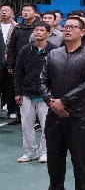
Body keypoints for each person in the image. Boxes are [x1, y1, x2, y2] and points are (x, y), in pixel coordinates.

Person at [33, 16, 85, 190]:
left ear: (83, 32)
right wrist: (51, 102)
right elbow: (42, 81)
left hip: (78, 116)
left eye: (73, 27)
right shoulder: (54, 54)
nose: (68, 30)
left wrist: (64, 101)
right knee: (54, 158)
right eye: (66, 26)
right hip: (54, 115)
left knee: (81, 160)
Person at [14, 22, 54, 163]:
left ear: (48, 33)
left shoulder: (54, 51)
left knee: (46, 125)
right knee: (26, 125)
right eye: (36, 30)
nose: (38, 32)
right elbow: (19, 72)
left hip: (46, 95)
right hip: (26, 93)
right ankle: (30, 151)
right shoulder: (25, 50)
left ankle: (46, 151)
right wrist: (17, 92)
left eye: (41, 30)